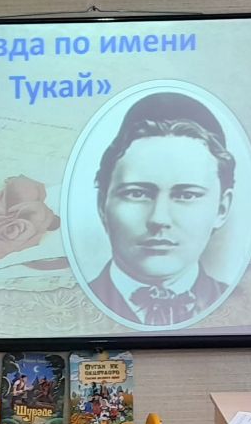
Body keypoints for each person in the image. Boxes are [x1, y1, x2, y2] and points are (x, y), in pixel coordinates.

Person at [87, 91, 237, 327]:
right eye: (137, 193)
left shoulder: (244, 305)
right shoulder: (57, 307)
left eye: (187, 195)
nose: (159, 219)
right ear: (102, 206)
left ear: (221, 209)